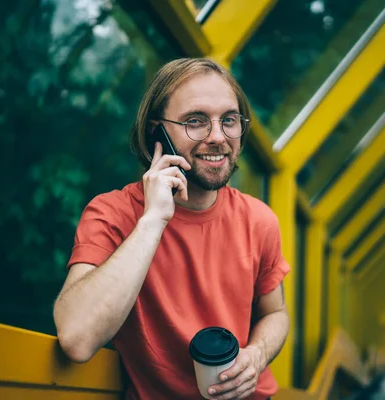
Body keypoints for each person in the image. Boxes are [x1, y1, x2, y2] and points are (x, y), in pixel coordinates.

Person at [53, 58, 291, 400]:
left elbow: (276, 314)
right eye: (195, 121)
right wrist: (153, 221)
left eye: (229, 120)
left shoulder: (259, 219)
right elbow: (77, 338)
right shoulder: (112, 214)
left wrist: (257, 355)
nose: (218, 137)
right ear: (157, 133)